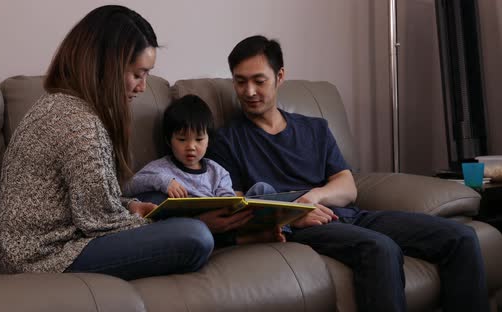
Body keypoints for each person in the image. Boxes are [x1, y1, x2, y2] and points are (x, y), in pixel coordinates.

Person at [208, 35, 489, 312]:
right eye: (240, 81)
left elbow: (347, 186)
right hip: (299, 229)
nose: (249, 91)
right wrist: (294, 213)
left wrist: (311, 198)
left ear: (280, 76)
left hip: (350, 215)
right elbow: (239, 205)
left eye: (259, 80)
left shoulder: (314, 128)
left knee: (460, 237)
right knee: (381, 248)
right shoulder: (226, 141)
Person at [0, 5, 214, 281]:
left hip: (56, 238)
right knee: (196, 236)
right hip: (45, 258)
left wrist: (131, 206)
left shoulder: (60, 105)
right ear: (105, 65)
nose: (143, 87)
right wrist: (200, 223)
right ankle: (223, 231)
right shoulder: (80, 124)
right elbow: (100, 222)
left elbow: (91, 202)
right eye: (137, 74)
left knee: (160, 202)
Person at [122, 94, 285, 245]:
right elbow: (128, 187)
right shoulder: (161, 169)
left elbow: (227, 197)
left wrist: (230, 206)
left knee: (263, 188)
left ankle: (283, 231)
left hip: (228, 221)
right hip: (193, 226)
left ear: (209, 140)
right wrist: (163, 182)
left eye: (199, 139)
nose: (191, 147)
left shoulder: (218, 172)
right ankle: (245, 239)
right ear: (168, 140)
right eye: (182, 139)